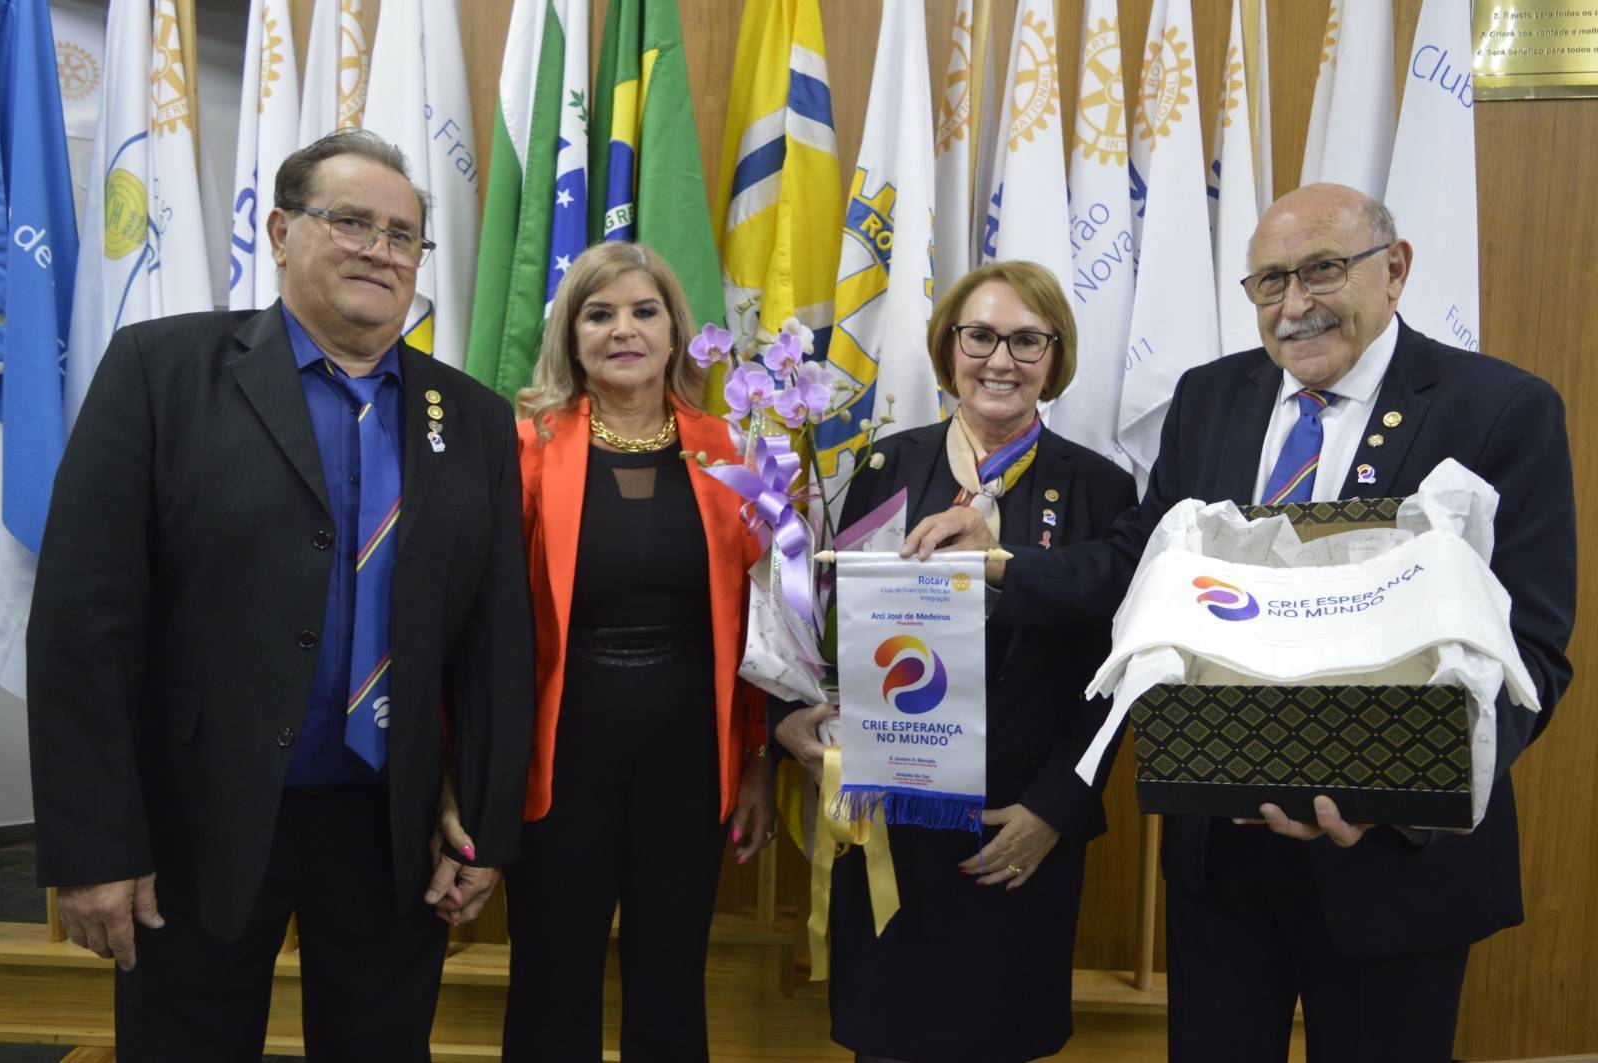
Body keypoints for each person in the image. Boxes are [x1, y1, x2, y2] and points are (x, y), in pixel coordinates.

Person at [906, 184, 1577, 1062]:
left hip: (1391, 866)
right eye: (1268, 282)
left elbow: (1530, 649)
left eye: (1322, 271)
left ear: (1396, 269)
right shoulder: (1212, 396)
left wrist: (1398, 800)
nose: (1294, 305)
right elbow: (1136, 567)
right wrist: (1001, 566)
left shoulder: (1497, 409)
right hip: (1221, 858)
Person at [26, 130, 536, 1062]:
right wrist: (94, 843)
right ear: (279, 230)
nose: (379, 250)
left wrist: (486, 825)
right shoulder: (158, 371)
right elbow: (81, 624)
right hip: (195, 823)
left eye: (403, 234)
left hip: (390, 829)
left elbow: (495, 637)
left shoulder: (471, 417)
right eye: (350, 221)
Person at [775, 260, 1137, 1062]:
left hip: (1016, 830)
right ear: (948, 349)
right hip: (890, 825)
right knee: (887, 1038)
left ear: (1056, 357)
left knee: (1001, 1037)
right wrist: (793, 714)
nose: (1000, 359)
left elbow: (1115, 670)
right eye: (980, 335)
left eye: (1026, 340)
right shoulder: (883, 467)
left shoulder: (1101, 489)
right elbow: (829, 626)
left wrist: (1056, 808)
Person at [503, 241, 775, 1062]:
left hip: (690, 757)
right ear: (572, 336)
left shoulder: (732, 450)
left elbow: (765, 628)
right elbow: (486, 626)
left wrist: (758, 758)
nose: (624, 329)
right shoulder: (523, 450)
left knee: (670, 976)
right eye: (599, 312)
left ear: (675, 331)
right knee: (553, 977)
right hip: (559, 755)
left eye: (643, 310)